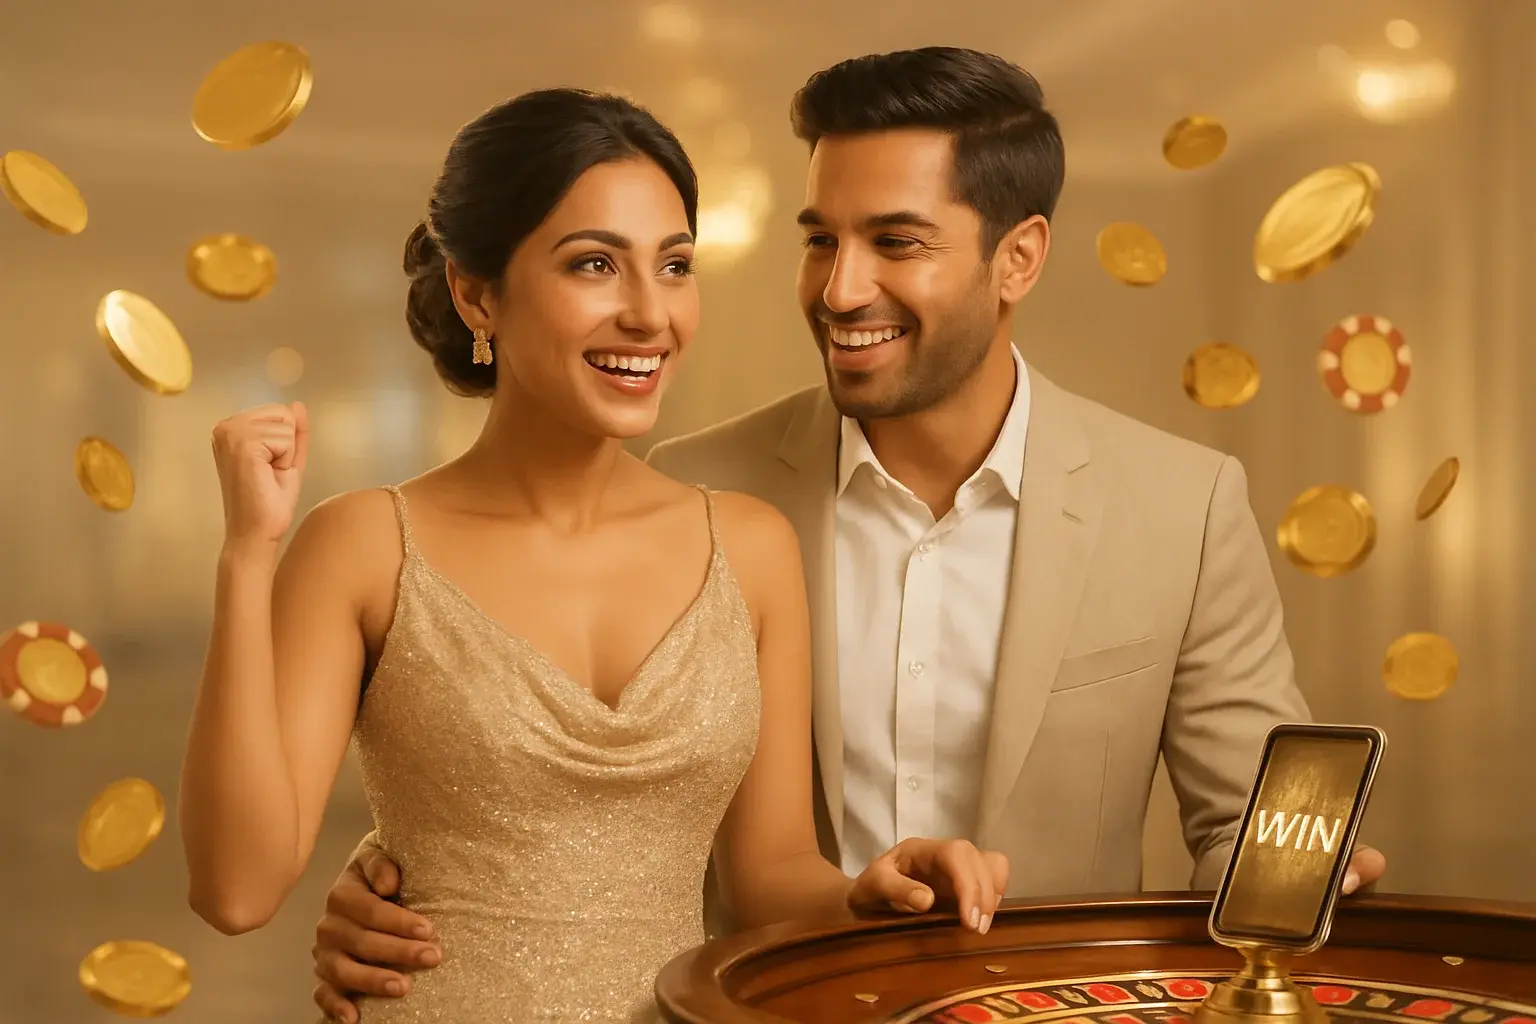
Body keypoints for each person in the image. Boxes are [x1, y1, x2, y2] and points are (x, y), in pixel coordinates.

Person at [306, 49, 1389, 1020]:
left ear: (1019, 258)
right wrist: (406, 874)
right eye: (821, 240)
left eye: (895, 242)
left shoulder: (1182, 506)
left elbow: (1247, 834)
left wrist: (1302, 880)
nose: (840, 288)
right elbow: (568, 789)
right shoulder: (689, 493)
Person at [177, 87, 1010, 1024]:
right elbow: (237, 891)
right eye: (594, 265)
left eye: (675, 265)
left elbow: (771, 871)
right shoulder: (364, 546)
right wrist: (247, 557)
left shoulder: (748, 546)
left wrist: (871, 893)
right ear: (475, 291)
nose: (650, 315)